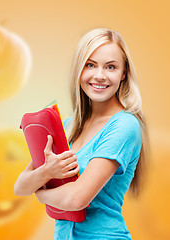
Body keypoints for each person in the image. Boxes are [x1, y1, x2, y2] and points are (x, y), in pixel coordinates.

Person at [14, 28, 149, 239]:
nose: (100, 76)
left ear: (123, 74)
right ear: (79, 70)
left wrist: (40, 194)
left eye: (111, 67)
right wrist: (47, 171)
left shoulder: (124, 125)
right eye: (90, 65)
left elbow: (78, 199)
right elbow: (20, 187)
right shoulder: (68, 126)